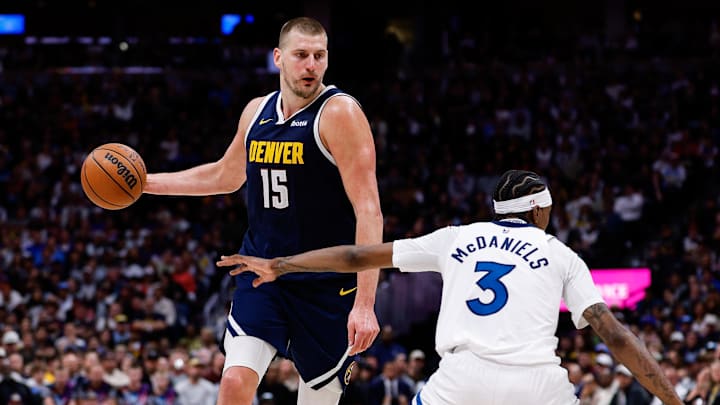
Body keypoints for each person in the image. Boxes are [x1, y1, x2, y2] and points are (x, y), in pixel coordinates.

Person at [217, 169, 683, 405]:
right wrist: (674, 401)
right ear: (541, 211)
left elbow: (359, 255)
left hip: (461, 382)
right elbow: (617, 336)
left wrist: (282, 264)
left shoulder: (457, 237)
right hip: (537, 385)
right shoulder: (562, 254)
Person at [143, 16, 383, 405]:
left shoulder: (340, 114)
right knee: (235, 382)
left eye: (319, 56)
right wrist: (146, 183)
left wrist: (365, 305)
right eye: (301, 55)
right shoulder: (257, 112)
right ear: (278, 58)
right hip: (262, 274)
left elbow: (369, 210)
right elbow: (224, 175)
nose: (311, 65)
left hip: (326, 284)